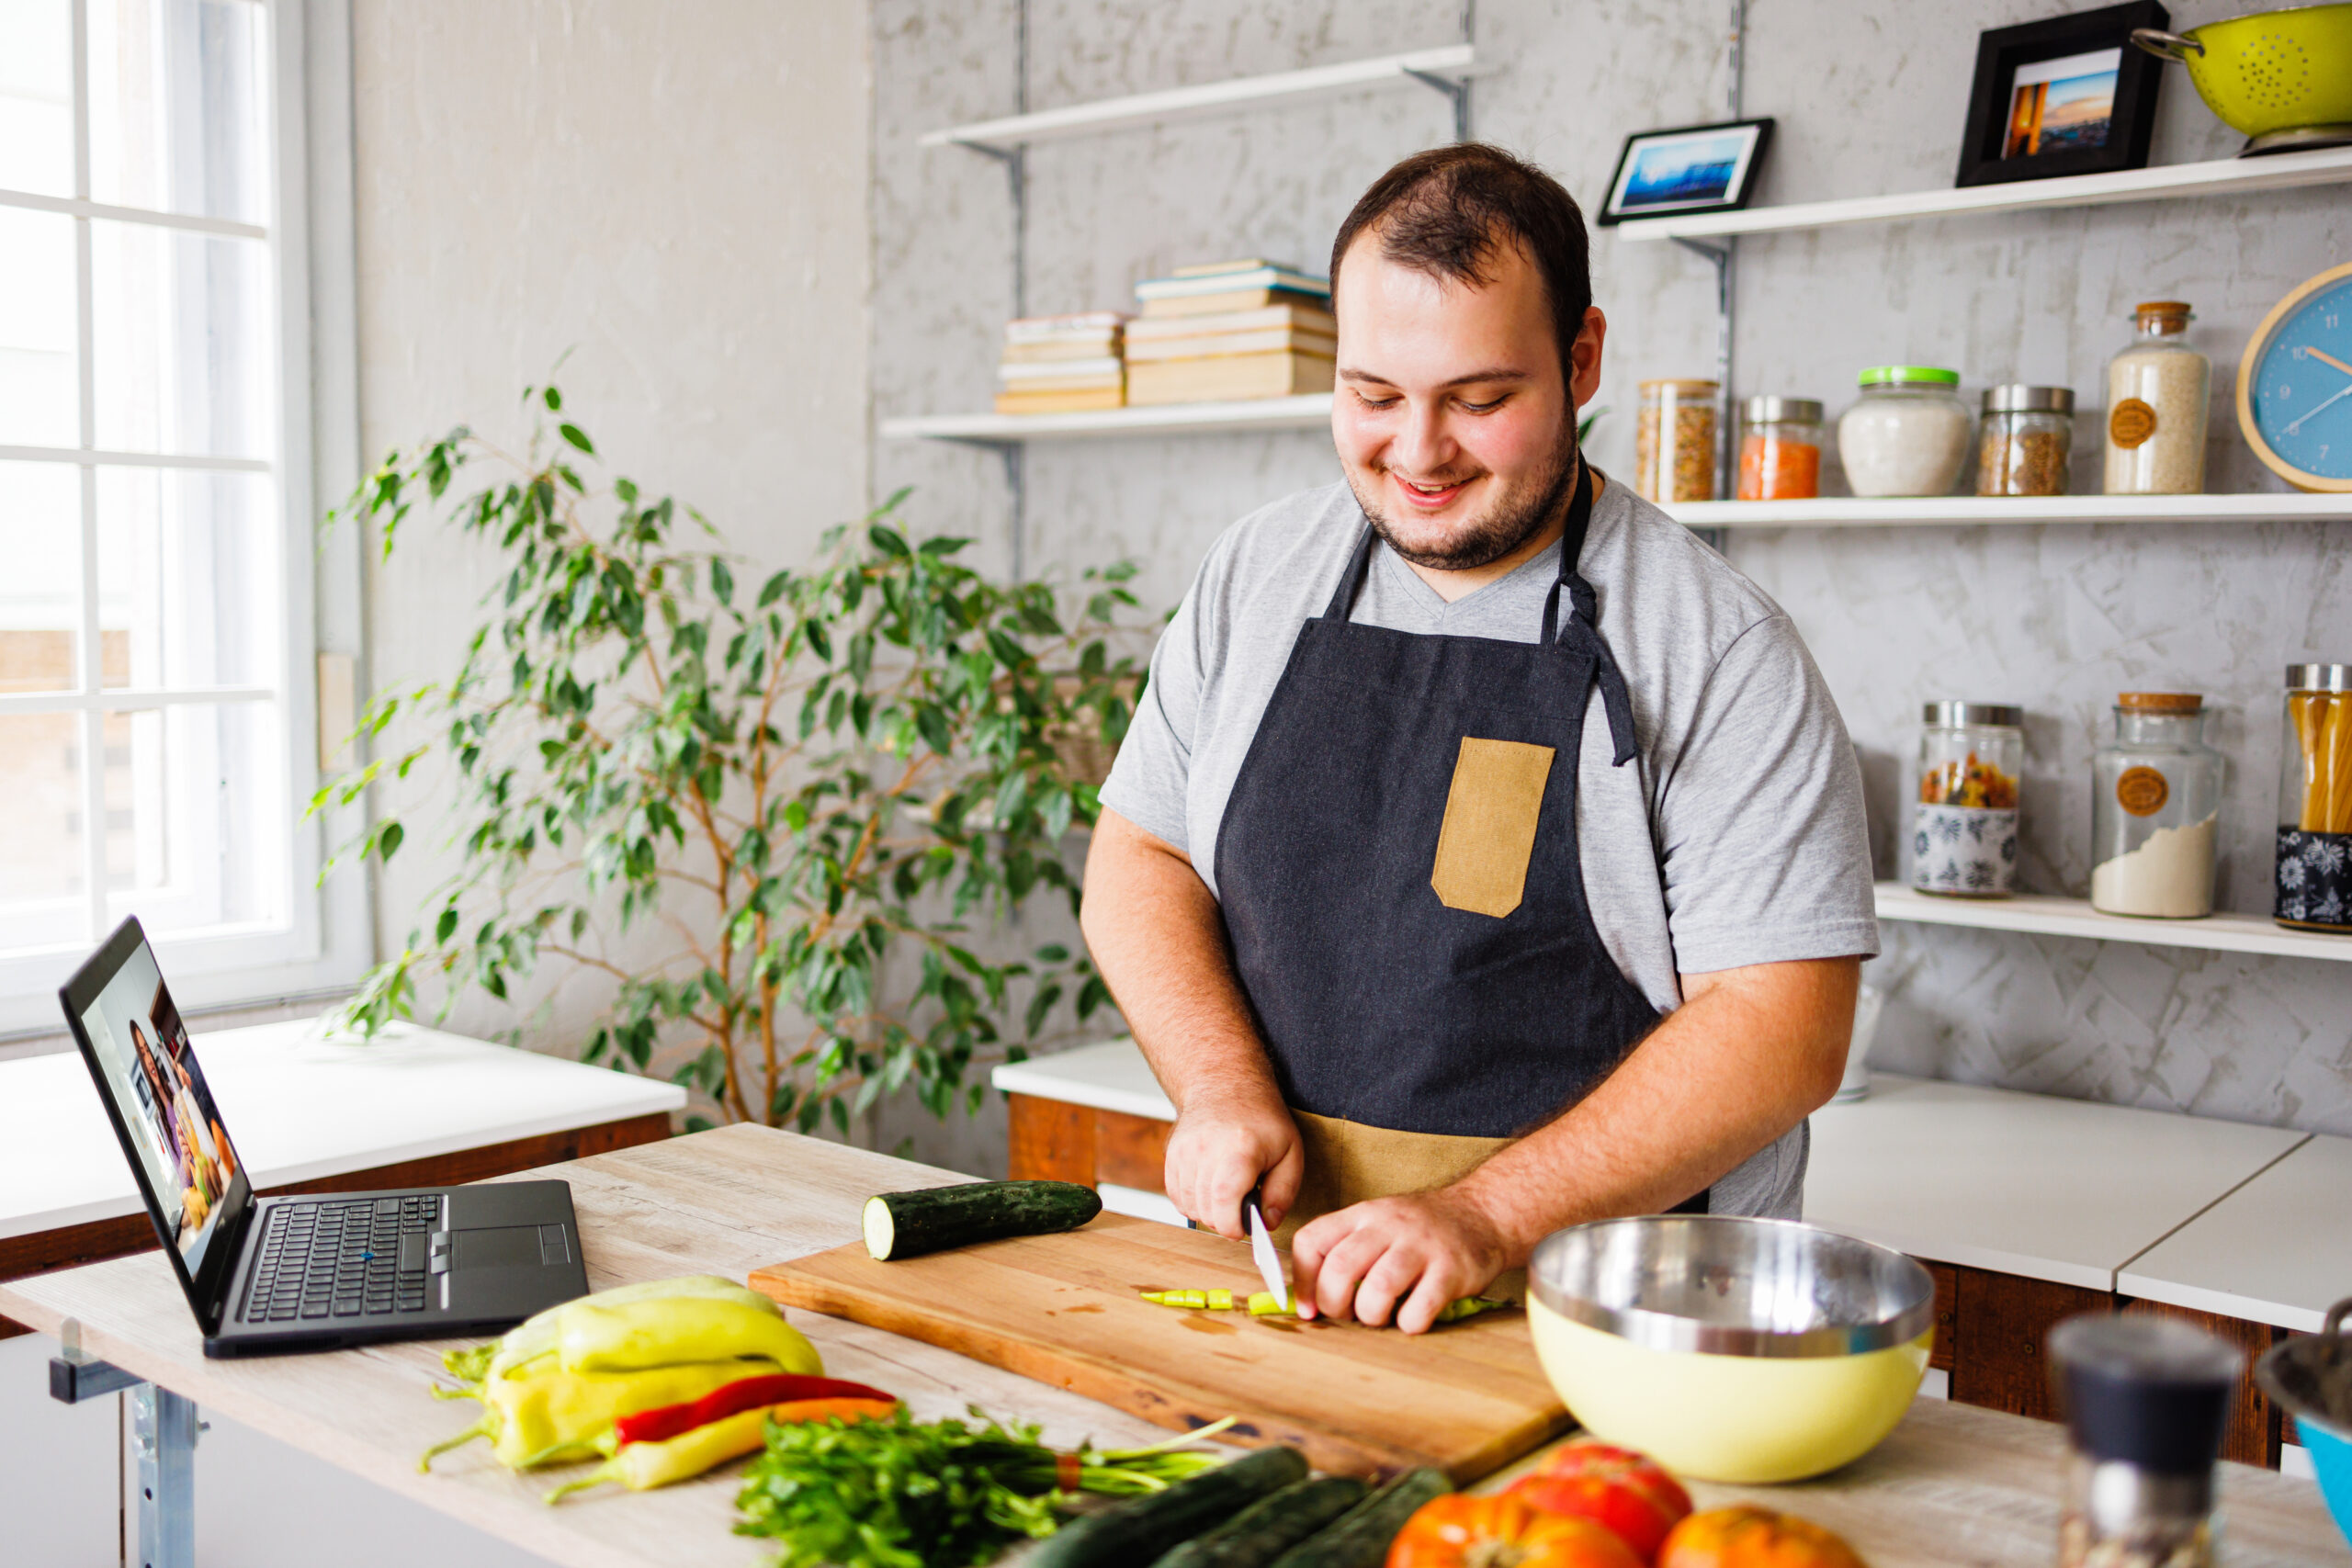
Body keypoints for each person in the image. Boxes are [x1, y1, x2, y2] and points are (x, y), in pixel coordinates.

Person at [1080, 144, 1877, 1335]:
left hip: (1620, 1327)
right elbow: (1137, 864)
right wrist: (1219, 1085)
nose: (1417, 454)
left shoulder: (1718, 647)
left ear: (1583, 360)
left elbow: (1782, 1029)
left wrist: (1488, 1217)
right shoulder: (1256, 576)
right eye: (1372, 395)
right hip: (1304, 1299)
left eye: (1480, 399)